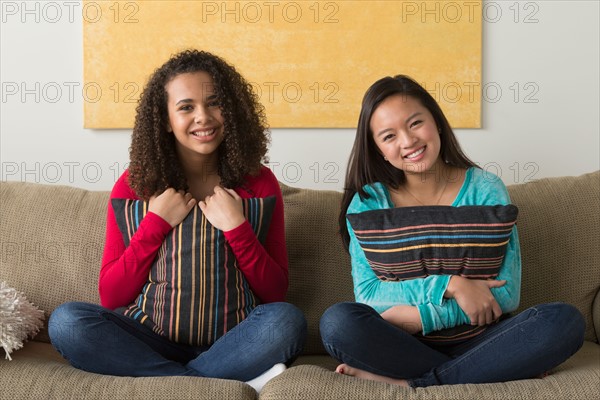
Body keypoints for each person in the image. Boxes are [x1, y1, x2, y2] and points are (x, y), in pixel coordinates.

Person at [49, 49, 306, 392]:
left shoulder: (258, 183)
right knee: (67, 322)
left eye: (214, 103)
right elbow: (111, 295)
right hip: (150, 339)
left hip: (235, 339)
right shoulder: (133, 184)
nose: (204, 117)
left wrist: (237, 228)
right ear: (165, 120)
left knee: (287, 321)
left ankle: (171, 383)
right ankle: (206, 382)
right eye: (186, 107)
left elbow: (275, 293)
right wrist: (155, 223)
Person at [319, 75, 585, 387]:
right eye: (389, 136)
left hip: (482, 338)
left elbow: (507, 293)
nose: (408, 141)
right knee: (338, 323)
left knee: (562, 322)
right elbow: (369, 296)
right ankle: (485, 371)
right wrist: (452, 285)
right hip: (398, 345)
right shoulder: (367, 203)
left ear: (438, 122)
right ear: (378, 149)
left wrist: (422, 319)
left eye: (415, 123)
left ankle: (413, 383)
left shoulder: (485, 189)